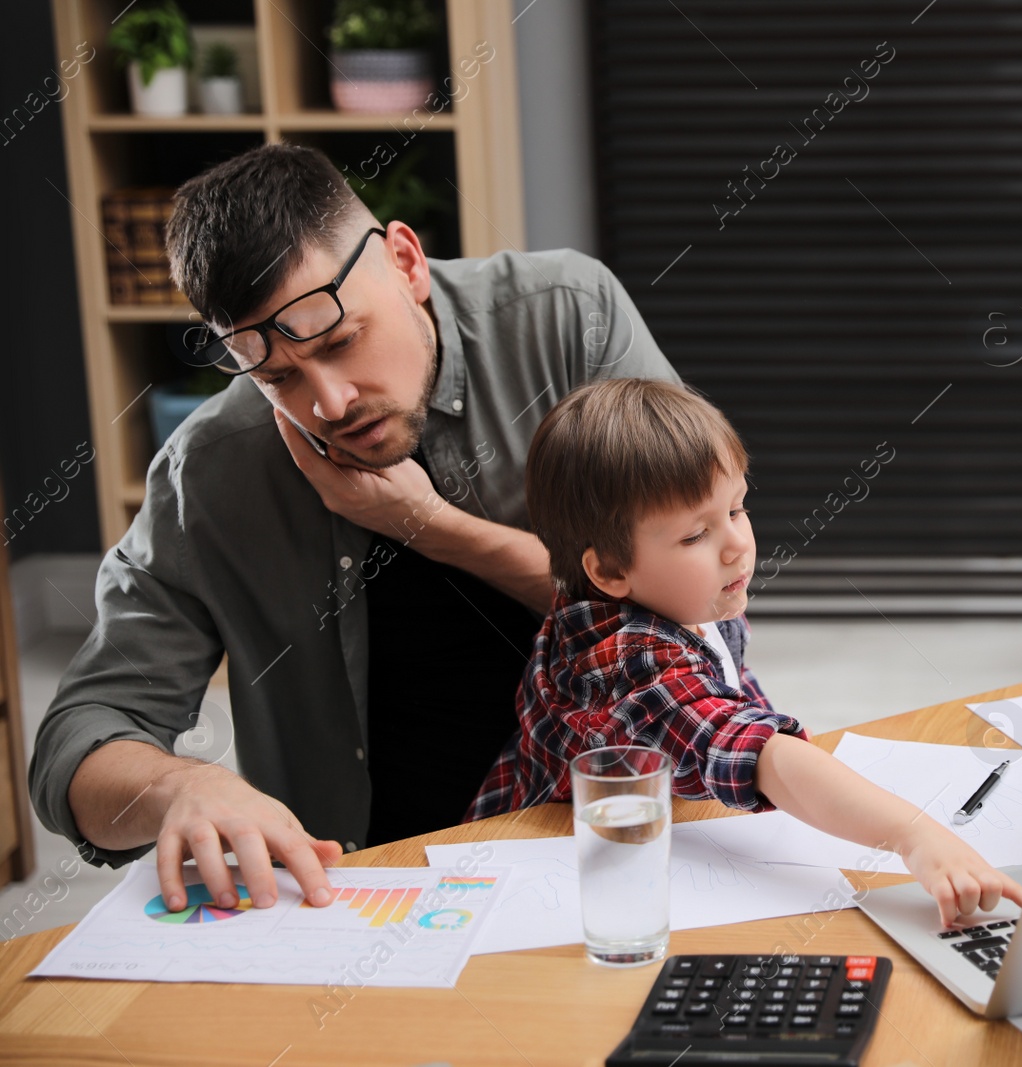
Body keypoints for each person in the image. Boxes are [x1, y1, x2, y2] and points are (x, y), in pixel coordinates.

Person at [28, 144, 678, 914]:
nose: (330, 402)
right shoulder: (212, 470)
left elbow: (695, 603)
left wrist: (431, 526)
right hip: (374, 889)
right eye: (279, 378)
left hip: (624, 830)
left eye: (340, 343)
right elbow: (78, 737)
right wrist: (182, 786)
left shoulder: (570, 320)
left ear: (406, 261)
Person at [467, 378, 1022, 926]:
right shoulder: (628, 661)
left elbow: (736, 705)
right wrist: (915, 835)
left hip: (647, 846)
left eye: (736, 509)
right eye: (695, 535)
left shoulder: (686, 600)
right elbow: (755, 750)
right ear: (610, 570)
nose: (738, 543)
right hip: (539, 890)